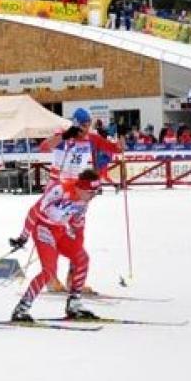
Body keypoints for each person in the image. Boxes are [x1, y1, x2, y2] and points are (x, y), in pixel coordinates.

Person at [39, 108, 121, 292]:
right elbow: (44, 147)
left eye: (88, 124)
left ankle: (74, 279)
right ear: (75, 123)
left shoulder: (90, 137)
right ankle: (51, 278)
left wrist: (119, 144)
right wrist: (65, 135)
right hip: (58, 188)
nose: (86, 128)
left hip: (78, 190)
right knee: (54, 232)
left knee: (78, 233)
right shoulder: (63, 134)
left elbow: (112, 148)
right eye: (83, 125)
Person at [7, 169, 102, 322]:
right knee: (49, 272)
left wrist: (76, 254)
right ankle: (22, 309)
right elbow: (34, 211)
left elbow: (78, 226)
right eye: (91, 192)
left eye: (96, 192)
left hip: (60, 230)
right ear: (81, 188)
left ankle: (74, 304)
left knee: (82, 259)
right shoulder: (60, 190)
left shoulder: (84, 201)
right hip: (43, 229)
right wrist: (23, 237)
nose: (93, 196)